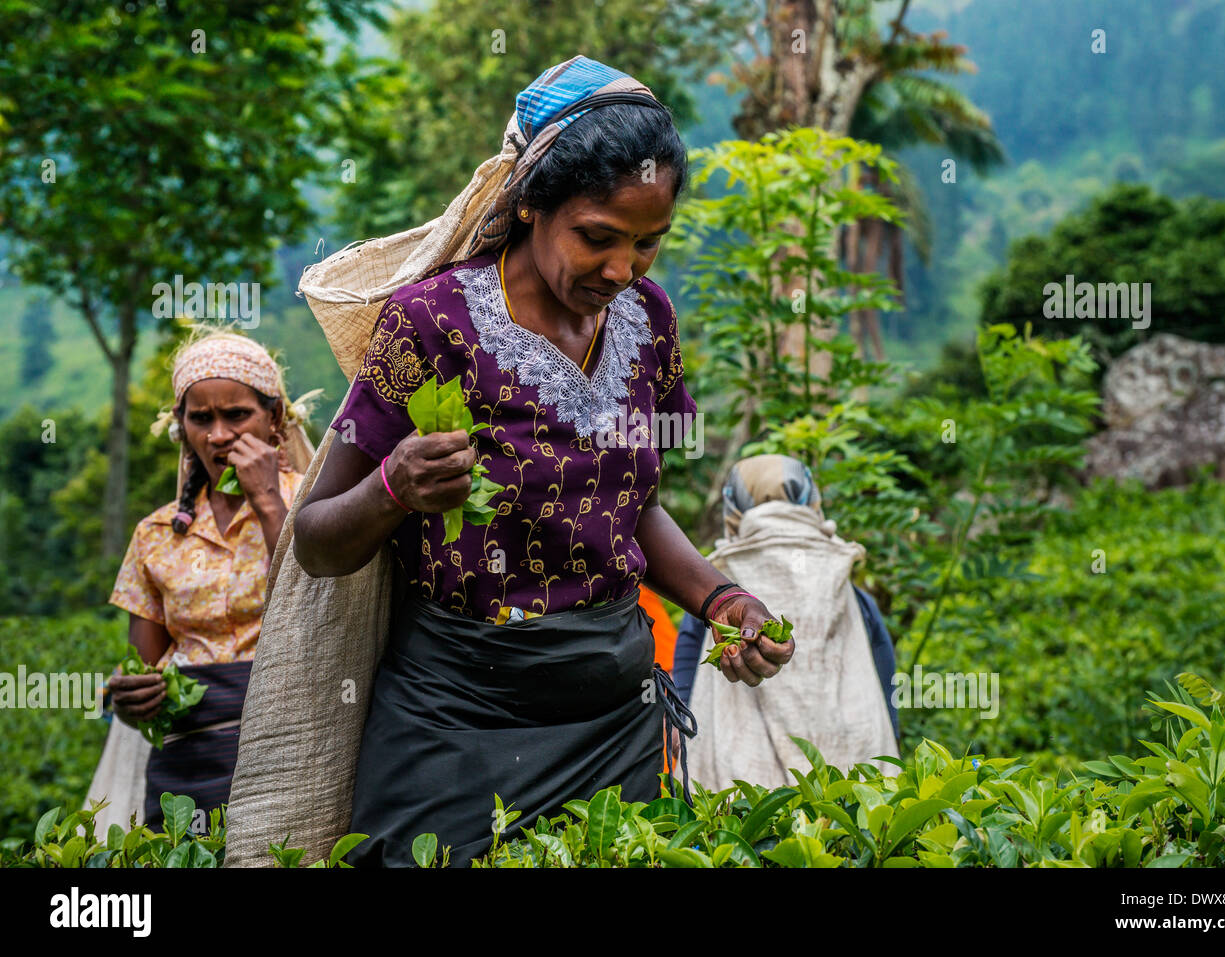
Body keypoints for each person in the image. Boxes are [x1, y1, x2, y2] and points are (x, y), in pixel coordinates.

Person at [290, 55, 796, 867]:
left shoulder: (647, 320)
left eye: (648, 244)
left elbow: (639, 510)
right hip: (453, 722)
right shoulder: (432, 324)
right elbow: (315, 541)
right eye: (598, 237)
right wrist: (395, 487)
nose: (622, 271)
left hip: (613, 722)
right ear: (531, 202)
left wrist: (724, 598)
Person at [102, 326, 319, 831]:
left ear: (275, 420)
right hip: (187, 760)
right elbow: (147, 668)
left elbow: (321, 609)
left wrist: (268, 503)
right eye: (201, 418)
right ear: (182, 426)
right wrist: (131, 696)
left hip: (293, 742)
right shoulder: (156, 534)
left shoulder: (317, 503)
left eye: (237, 415)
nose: (218, 435)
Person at [672, 454, 901, 791]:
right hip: (847, 775)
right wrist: (890, 739)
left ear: (733, 507)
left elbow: (686, 682)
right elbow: (884, 682)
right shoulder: (848, 586)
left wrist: (681, 729)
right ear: (810, 499)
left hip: (742, 782)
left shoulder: (717, 594)